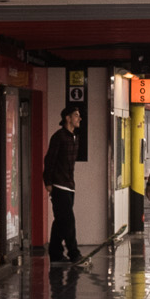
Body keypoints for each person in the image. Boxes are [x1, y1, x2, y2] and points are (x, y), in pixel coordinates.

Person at [42, 103, 84, 262]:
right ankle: (74, 253)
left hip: (69, 185)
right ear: (67, 118)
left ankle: (55, 252)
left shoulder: (75, 137)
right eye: (76, 115)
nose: (79, 118)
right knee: (68, 220)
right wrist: (48, 181)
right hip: (59, 185)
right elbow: (49, 160)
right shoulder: (58, 137)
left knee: (60, 220)